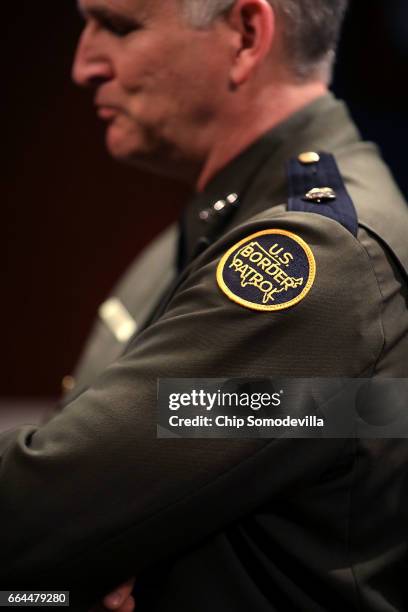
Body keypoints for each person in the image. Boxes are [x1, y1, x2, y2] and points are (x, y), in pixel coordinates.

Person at [1, 0, 407, 610]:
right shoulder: (204, 233)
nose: (83, 65)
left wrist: (64, 566)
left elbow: (28, 519)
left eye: (118, 26)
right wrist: (60, 580)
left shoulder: (309, 259)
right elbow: (61, 523)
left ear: (246, 35)